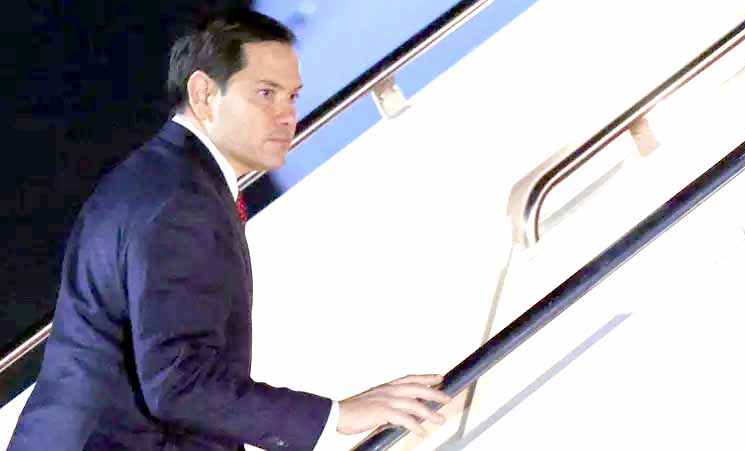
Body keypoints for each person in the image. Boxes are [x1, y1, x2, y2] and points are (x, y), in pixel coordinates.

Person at [8, 9, 451, 451]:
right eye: (265, 93)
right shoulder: (178, 201)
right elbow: (179, 382)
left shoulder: (163, 177)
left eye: (292, 97)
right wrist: (339, 415)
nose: (287, 115)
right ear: (203, 94)